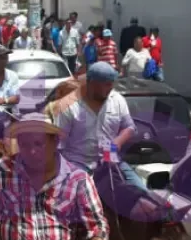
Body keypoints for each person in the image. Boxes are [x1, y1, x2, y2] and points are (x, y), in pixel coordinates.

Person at [53, 62, 145, 191]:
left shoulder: (117, 100)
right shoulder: (69, 106)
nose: (110, 87)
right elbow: (58, 145)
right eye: (106, 84)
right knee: (85, 198)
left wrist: (117, 143)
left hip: (111, 163)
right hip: (78, 164)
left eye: (112, 83)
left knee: (141, 192)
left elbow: (129, 127)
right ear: (92, 84)